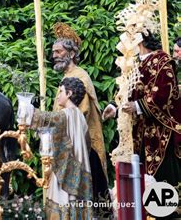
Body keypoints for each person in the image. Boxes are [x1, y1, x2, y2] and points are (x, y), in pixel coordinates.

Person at [103, 32, 181, 187]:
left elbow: (165, 93)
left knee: (161, 182)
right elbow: (127, 91)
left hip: (159, 133)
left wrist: (138, 106)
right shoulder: (135, 63)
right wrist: (115, 107)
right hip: (140, 132)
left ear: (140, 40)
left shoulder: (162, 61)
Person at [51, 22, 108, 200]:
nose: (54, 56)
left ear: (72, 53)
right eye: (53, 52)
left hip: (82, 146)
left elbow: (79, 113)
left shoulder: (80, 76)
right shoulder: (68, 76)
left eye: (58, 52)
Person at [28, 77, 93, 219]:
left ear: (69, 94)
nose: (58, 96)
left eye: (61, 92)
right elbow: (87, 144)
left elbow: (43, 119)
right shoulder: (81, 117)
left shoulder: (64, 115)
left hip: (64, 174)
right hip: (81, 172)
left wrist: (26, 105)